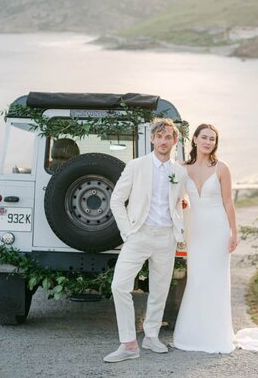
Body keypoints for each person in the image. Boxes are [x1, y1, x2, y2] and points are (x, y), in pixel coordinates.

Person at [104, 118, 187, 363]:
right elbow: (116, 200)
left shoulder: (180, 172)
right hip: (138, 235)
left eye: (168, 137)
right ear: (152, 139)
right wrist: (127, 232)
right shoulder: (135, 166)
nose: (163, 141)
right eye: (159, 136)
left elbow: (180, 202)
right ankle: (129, 343)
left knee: (160, 290)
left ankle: (151, 336)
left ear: (174, 141)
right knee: (119, 285)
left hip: (166, 236)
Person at [173, 123, 238, 353]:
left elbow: (228, 202)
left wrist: (234, 232)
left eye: (213, 139)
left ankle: (216, 334)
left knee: (216, 281)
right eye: (205, 137)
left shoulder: (222, 168)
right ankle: (193, 332)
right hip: (196, 230)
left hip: (218, 228)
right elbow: (178, 198)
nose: (209, 142)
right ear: (195, 139)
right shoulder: (182, 168)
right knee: (197, 279)